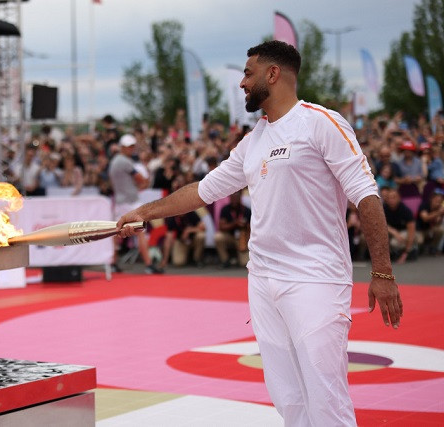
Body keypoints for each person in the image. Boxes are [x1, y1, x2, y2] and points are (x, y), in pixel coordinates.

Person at [117, 40, 402, 426]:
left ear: (273, 74)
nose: (242, 83)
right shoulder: (253, 141)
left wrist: (382, 272)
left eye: (248, 73)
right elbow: (203, 190)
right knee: (287, 397)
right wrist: (144, 212)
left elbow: (366, 196)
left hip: (315, 278)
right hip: (263, 279)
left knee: (326, 395)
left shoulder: (320, 122)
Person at [109, 134, 159, 274]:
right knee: (141, 233)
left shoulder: (114, 162)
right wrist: (143, 183)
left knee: (115, 232)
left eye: (132, 146)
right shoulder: (126, 162)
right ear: (123, 147)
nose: (131, 149)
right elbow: (142, 180)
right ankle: (148, 265)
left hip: (119, 201)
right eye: (129, 146)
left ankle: (113, 262)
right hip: (131, 202)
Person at [214, 188, 251, 268]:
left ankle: (237, 258)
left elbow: (251, 228)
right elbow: (221, 227)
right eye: (232, 196)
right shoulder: (225, 209)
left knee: (244, 263)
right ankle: (225, 260)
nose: (234, 199)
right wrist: (235, 223)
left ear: (240, 197)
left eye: (236, 196)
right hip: (230, 236)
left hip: (242, 237)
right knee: (218, 237)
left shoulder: (247, 210)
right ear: (229, 197)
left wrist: (245, 229)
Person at [383, 187, 419, 263]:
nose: (391, 200)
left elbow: (411, 231)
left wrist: (405, 253)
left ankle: (410, 250)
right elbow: (381, 224)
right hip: (391, 232)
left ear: (399, 198)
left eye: (394, 197)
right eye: (389, 198)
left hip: (405, 232)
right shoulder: (384, 208)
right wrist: (394, 232)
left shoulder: (406, 210)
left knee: (395, 242)